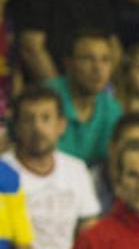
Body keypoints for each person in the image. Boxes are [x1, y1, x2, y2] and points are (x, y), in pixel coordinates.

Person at [2, 86, 101, 249]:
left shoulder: (76, 170)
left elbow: (90, 235)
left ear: (61, 125)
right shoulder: (5, 173)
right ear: (16, 127)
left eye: (46, 118)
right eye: (29, 119)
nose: (37, 127)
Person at [47, 30, 124, 170]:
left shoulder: (113, 109)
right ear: (69, 64)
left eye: (105, 60)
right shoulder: (46, 99)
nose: (98, 68)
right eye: (88, 59)